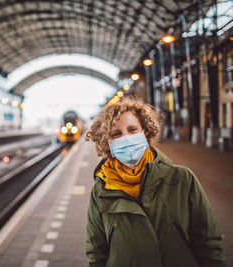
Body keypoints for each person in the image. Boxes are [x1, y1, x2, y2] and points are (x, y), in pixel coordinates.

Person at [85, 97, 225, 267]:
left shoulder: (182, 179)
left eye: (132, 129)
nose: (126, 138)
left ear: (145, 132)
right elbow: (96, 252)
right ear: (107, 143)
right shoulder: (101, 190)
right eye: (117, 134)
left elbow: (208, 244)